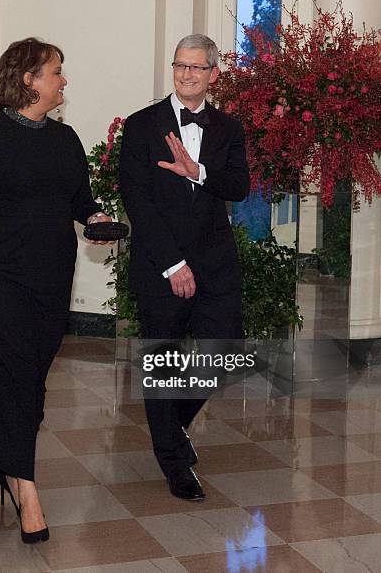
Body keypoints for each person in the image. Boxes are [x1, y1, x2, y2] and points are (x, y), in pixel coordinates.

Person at [0, 37, 111, 543]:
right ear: (28, 78)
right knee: (17, 379)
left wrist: (97, 218)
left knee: (16, 376)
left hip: (52, 280)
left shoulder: (65, 139)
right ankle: (24, 485)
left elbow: (80, 200)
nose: (63, 79)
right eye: (56, 70)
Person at [119, 34, 249, 500]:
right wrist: (173, 265)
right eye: (180, 65)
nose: (186, 74)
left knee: (224, 353)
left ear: (214, 74)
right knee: (165, 362)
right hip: (161, 263)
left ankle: (170, 428)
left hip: (216, 265)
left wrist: (197, 172)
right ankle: (175, 466)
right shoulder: (141, 126)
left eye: (197, 67)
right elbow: (138, 201)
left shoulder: (229, 128)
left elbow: (238, 187)